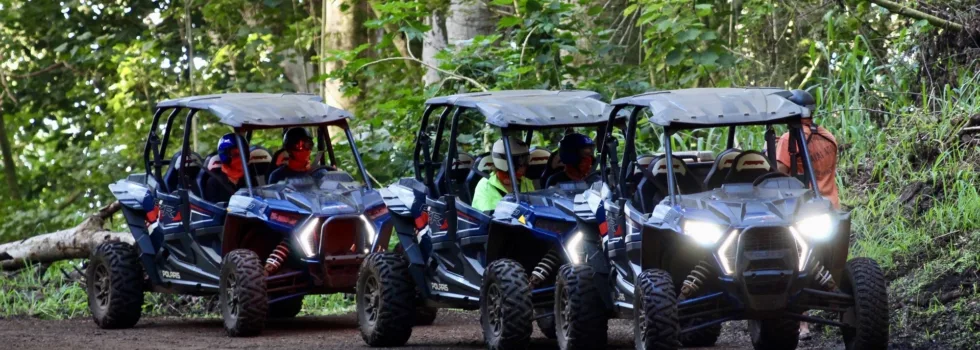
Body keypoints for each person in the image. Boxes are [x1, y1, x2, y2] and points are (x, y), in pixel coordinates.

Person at [774, 90, 839, 341]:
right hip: (830, 207)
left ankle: (801, 325)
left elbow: (779, 177)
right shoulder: (828, 137)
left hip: (801, 211)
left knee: (798, 264)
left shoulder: (788, 140)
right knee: (819, 261)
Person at [471, 138, 535, 212]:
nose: (524, 166)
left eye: (525, 160)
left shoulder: (526, 182)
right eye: (519, 162)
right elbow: (489, 217)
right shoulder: (485, 186)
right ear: (503, 161)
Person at [204, 133, 248, 203]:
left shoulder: (250, 179)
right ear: (225, 156)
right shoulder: (214, 182)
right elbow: (212, 209)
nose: (240, 158)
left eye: (243, 153)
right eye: (236, 154)